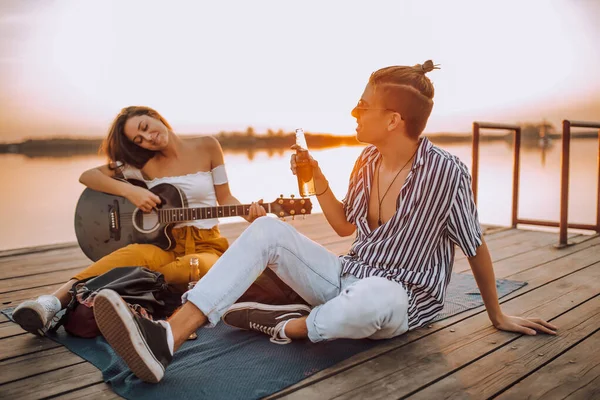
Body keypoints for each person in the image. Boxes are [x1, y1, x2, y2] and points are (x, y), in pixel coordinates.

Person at [92, 61, 558, 383]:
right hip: (345, 274)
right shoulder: (366, 162)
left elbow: (475, 245)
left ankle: (286, 326)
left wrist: (497, 314)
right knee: (267, 229)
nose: (353, 112)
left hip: (403, 296)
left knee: (369, 300)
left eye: (363, 106)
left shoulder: (448, 172)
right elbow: (342, 228)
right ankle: (167, 338)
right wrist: (315, 177)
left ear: (394, 119)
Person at [12, 106, 266, 336]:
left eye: (145, 127)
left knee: (181, 269)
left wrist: (249, 213)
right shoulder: (140, 165)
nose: (148, 138)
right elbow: (88, 176)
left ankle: (123, 302)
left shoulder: (208, 146)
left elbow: (225, 198)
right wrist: (132, 191)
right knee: (123, 258)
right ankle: (50, 304)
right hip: (162, 247)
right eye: (139, 139)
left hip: (207, 247)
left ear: (154, 115)